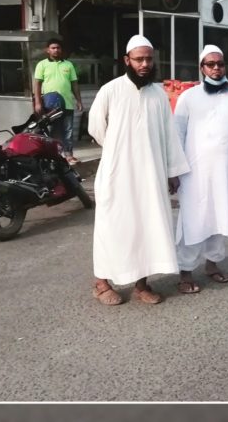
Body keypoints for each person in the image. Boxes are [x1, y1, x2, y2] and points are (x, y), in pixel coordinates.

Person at [87, 35, 190, 306]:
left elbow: (169, 136)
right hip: (117, 173)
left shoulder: (158, 94)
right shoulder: (110, 90)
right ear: (127, 61)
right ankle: (101, 283)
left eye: (148, 59)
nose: (144, 64)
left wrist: (172, 171)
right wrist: (119, 150)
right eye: (138, 59)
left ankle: (142, 284)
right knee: (113, 226)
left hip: (151, 175)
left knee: (147, 226)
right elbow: (96, 128)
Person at [174, 44, 228, 294]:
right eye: (211, 64)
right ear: (202, 68)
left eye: (220, 64)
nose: (216, 68)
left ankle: (212, 264)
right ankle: (185, 271)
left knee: (220, 217)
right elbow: (177, 135)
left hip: (227, 171)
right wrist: (175, 170)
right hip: (194, 173)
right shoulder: (188, 97)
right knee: (193, 219)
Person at [33, 38, 84, 164]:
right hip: (50, 106)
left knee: (68, 131)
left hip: (67, 104)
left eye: (58, 48)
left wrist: (79, 101)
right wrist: (38, 102)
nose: (56, 50)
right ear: (48, 50)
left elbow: (75, 84)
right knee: (51, 130)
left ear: (61, 50)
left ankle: (69, 155)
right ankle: (52, 156)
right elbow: (37, 84)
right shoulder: (42, 64)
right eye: (53, 48)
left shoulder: (68, 65)